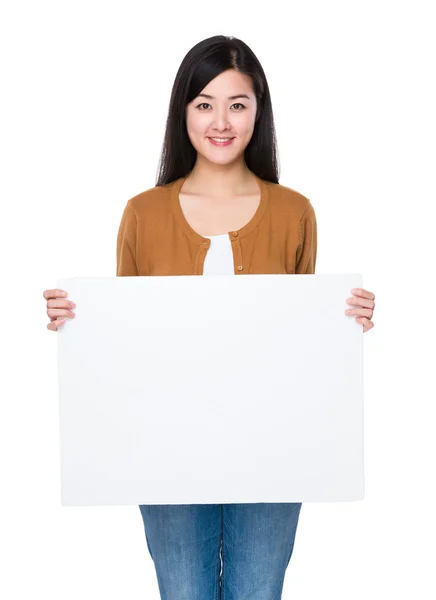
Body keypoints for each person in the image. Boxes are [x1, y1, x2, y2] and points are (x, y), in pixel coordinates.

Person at [42, 35, 375, 600]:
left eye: (237, 104)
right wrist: (78, 321)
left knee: (257, 593)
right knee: (184, 594)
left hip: (275, 445)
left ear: (258, 113)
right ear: (184, 113)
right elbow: (127, 333)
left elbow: (301, 337)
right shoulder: (142, 213)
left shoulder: (295, 212)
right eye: (204, 104)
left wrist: (346, 321)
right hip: (164, 447)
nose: (221, 121)